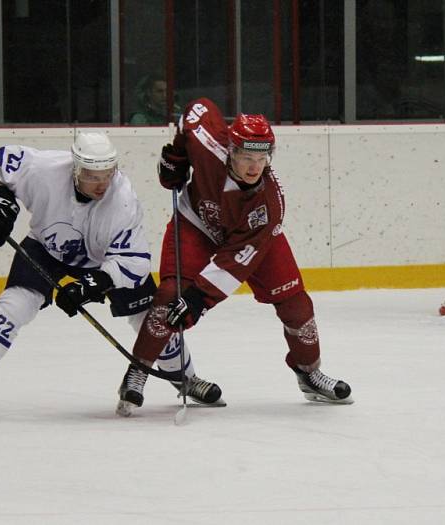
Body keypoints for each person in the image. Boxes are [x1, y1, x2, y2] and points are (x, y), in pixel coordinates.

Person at [0, 131, 223, 420]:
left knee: (152, 319)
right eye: (92, 176)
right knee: (14, 306)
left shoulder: (123, 199)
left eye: (107, 174)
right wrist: (2, 202)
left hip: (105, 261)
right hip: (45, 248)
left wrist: (95, 282)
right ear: (75, 169)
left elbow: (135, 262)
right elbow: (0, 159)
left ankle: (186, 378)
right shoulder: (45, 169)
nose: (102, 184)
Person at [121, 97, 353, 406]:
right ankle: (138, 372)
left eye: (262, 158)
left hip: (250, 243)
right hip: (197, 224)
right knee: (169, 295)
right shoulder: (207, 143)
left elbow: (235, 263)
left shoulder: (268, 204)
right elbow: (197, 108)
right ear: (231, 150)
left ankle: (309, 373)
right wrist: (176, 154)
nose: (255, 167)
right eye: (246, 157)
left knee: (296, 306)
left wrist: (198, 299)